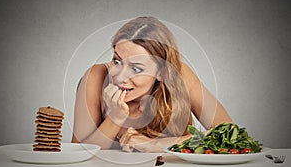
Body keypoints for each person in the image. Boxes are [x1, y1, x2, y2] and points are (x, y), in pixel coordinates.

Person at [71, 16, 232, 152]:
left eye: (136, 68)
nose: (120, 77)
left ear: (161, 72)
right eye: (117, 61)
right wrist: (115, 117)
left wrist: (155, 144)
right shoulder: (96, 76)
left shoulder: (179, 75)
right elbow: (79, 154)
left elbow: (229, 133)